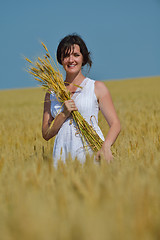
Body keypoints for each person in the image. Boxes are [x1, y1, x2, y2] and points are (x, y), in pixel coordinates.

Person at [42, 34, 121, 167]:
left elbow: (115, 124)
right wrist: (63, 114)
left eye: (76, 55)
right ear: (60, 60)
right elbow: (46, 133)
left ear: (83, 57)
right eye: (66, 56)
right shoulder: (52, 93)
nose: (71, 60)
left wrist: (106, 147)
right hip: (62, 158)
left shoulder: (96, 87)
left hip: (92, 156)